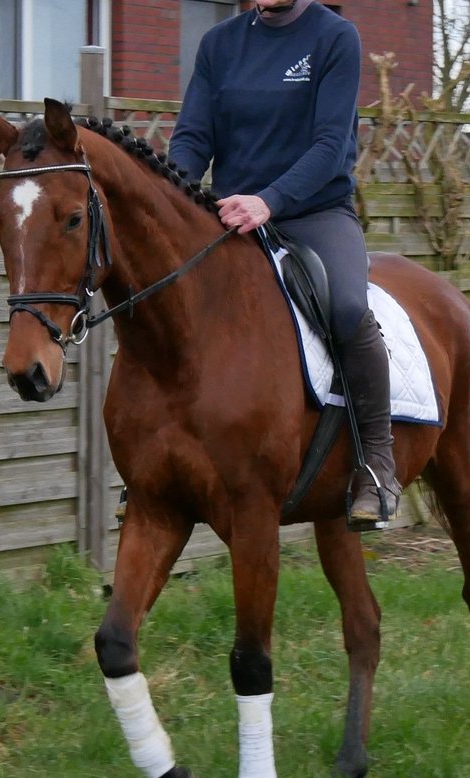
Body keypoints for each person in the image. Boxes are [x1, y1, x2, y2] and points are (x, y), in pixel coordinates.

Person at [168, 0, 400, 529]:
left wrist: (269, 200)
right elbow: (192, 139)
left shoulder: (335, 37)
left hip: (314, 212)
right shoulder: (219, 44)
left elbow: (329, 146)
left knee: (345, 308)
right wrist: (173, 196)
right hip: (230, 218)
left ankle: (376, 466)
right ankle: (158, 466)